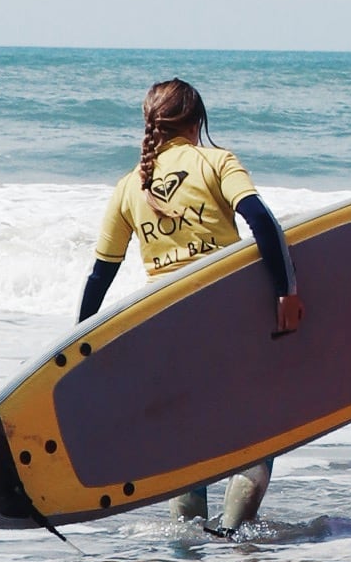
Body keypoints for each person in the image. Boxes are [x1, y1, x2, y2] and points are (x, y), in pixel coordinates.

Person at [81, 77, 302, 535]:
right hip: (226, 317)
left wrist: (82, 344)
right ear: (198, 121)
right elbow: (261, 221)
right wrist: (287, 292)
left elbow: (101, 275)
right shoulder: (216, 161)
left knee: (186, 443)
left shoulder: (127, 187)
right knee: (256, 434)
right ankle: (235, 544)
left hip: (164, 328)